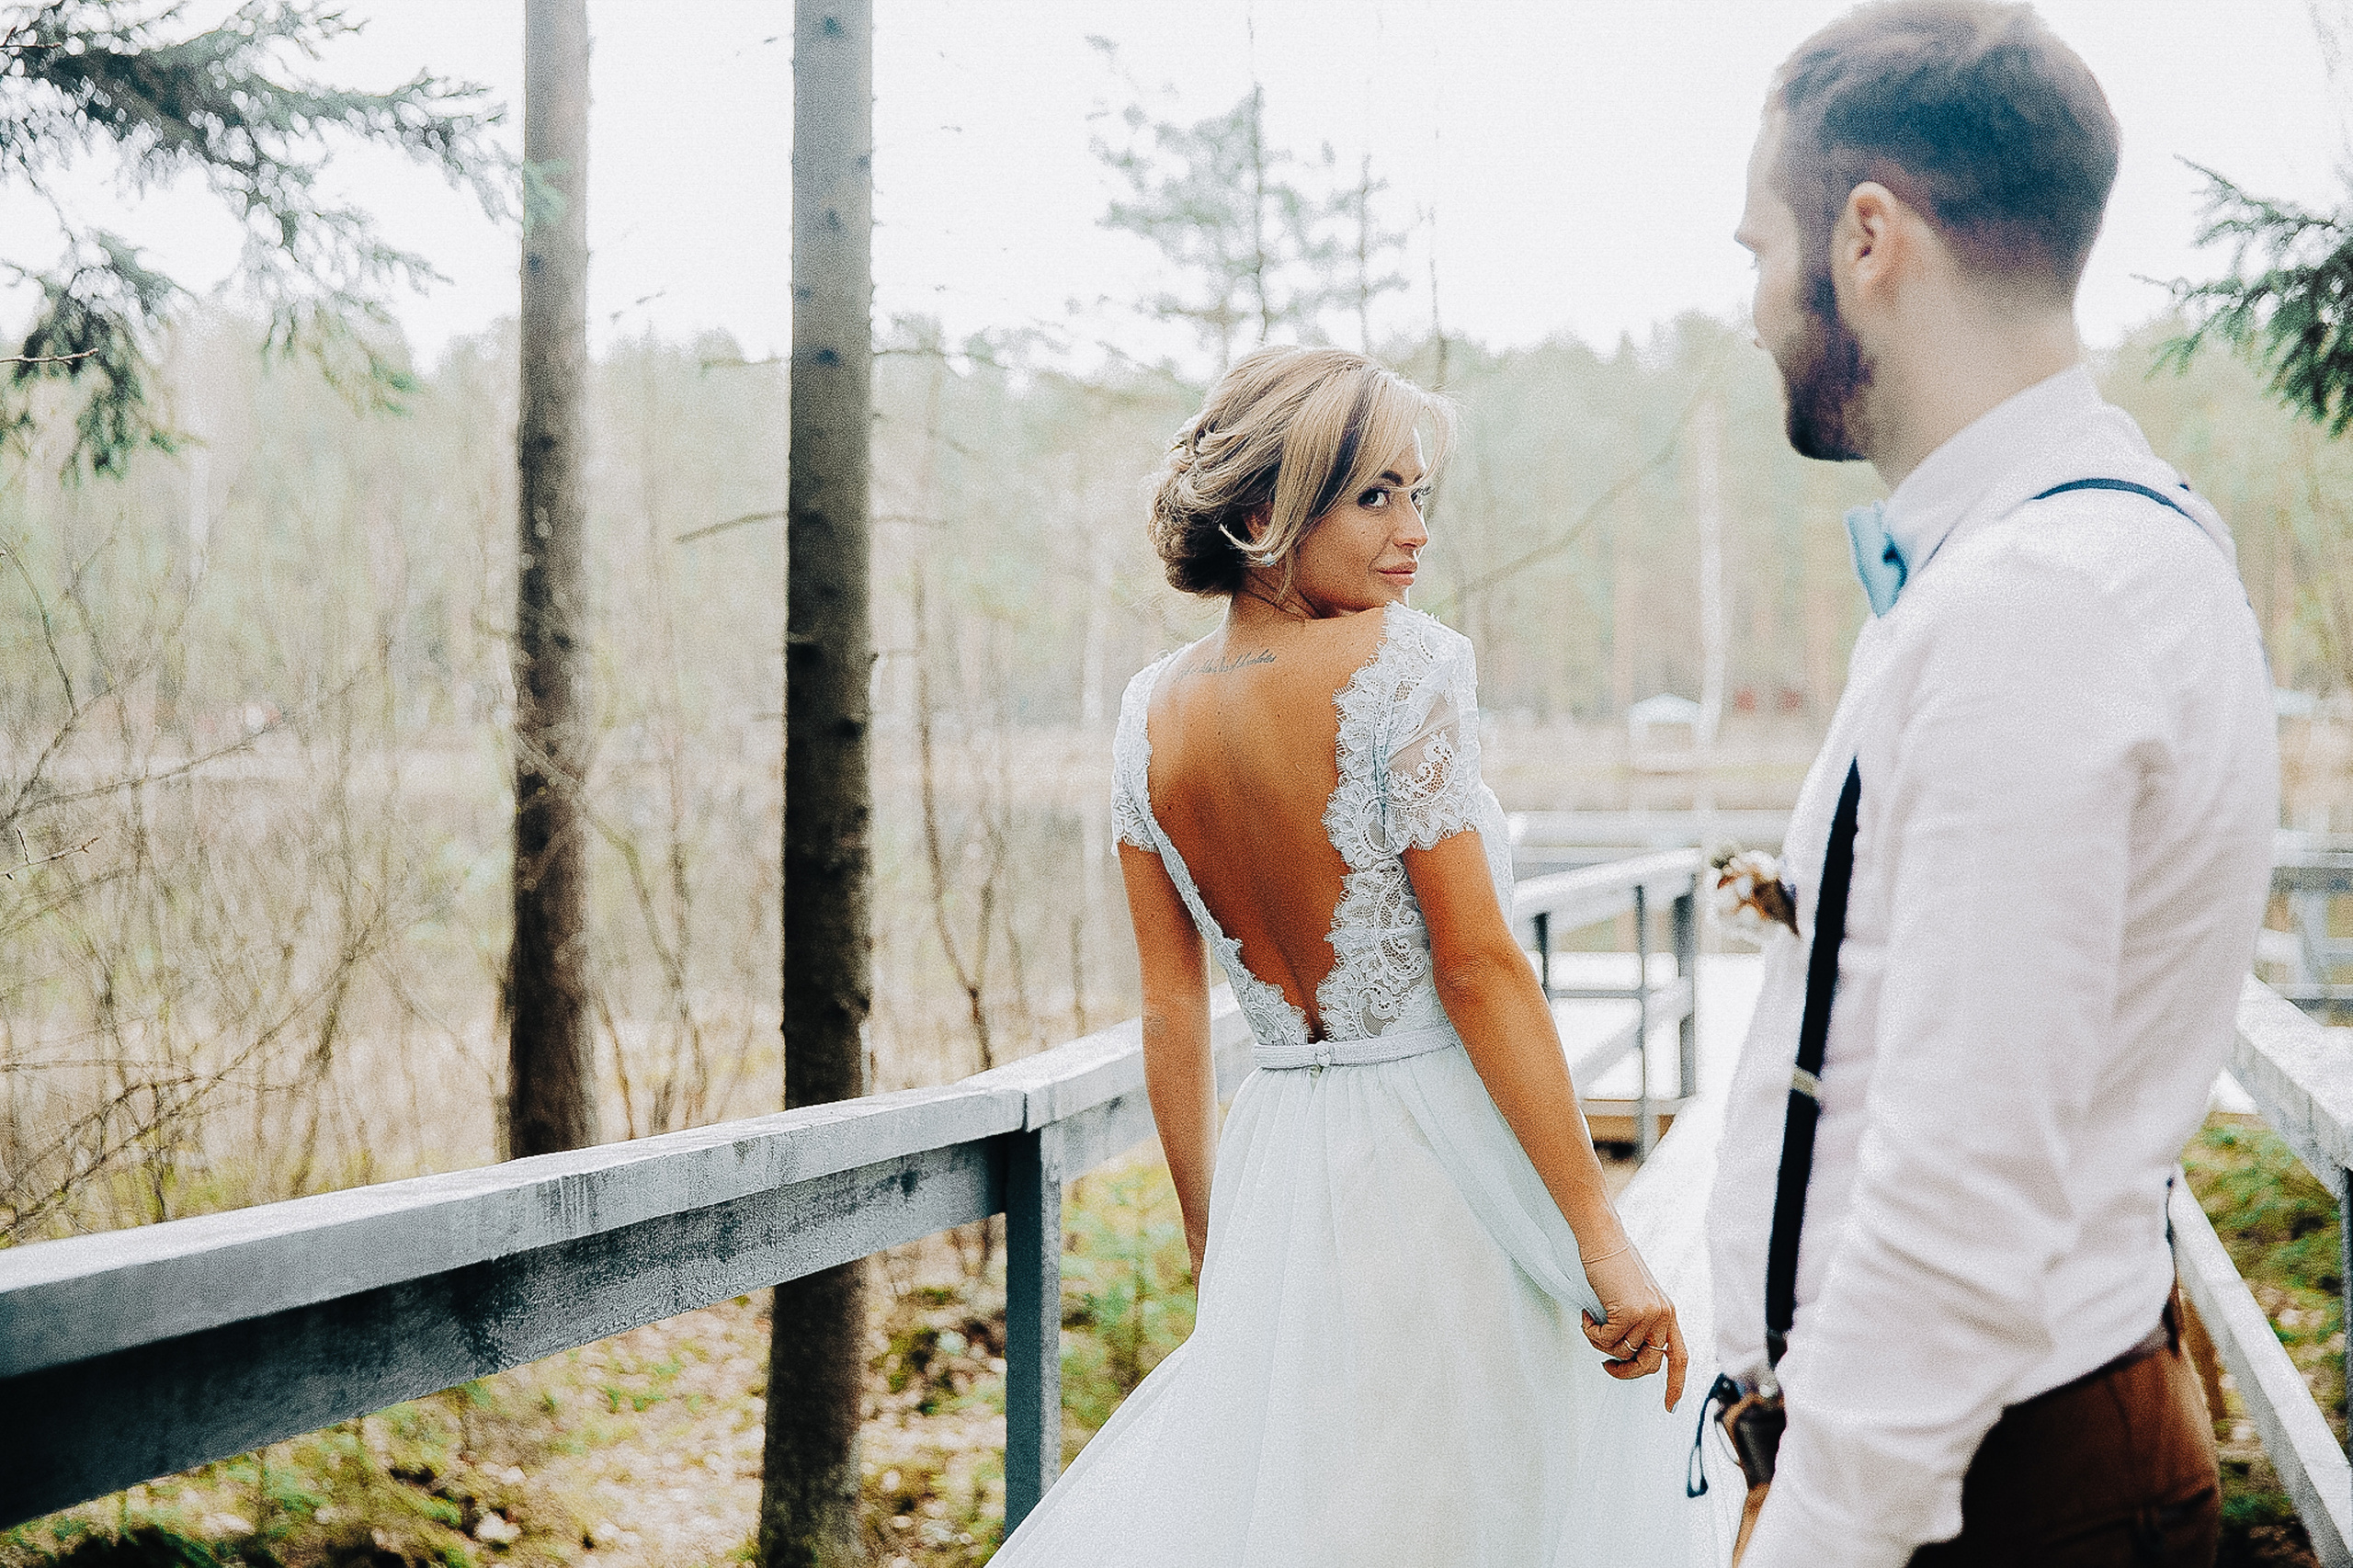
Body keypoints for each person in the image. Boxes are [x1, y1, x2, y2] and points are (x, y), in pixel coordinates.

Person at [1705, 4, 2279, 1564]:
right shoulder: (2106, 549)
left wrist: (1820, 1530)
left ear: (1869, 237)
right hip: (1996, 1454)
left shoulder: (2037, 602)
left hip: (1981, 1496)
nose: (1756, 304)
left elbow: (1962, 1182)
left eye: (1763, 246)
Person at [992, 345, 1699, 1566]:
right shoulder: (1409, 664)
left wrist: (1213, 1234)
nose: (1414, 531)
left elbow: (1170, 1005)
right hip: (1441, 1155)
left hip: (1276, 1164)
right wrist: (1599, 1229)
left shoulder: (1144, 715)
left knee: (1319, 1509)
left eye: (1419, 492)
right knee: (1478, 1503)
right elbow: (1479, 967)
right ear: (1262, 513)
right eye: (1376, 495)